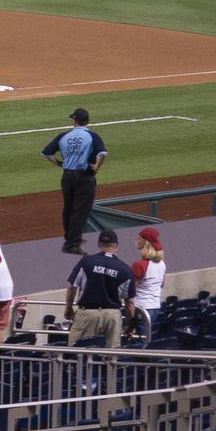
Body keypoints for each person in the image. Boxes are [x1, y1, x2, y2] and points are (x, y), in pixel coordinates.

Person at [43, 109, 109, 254]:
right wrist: (96, 167)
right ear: (87, 121)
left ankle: (70, 238)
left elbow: (47, 153)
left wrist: (59, 163)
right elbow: (102, 154)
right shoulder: (92, 136)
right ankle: (73, 243)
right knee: (81, 210)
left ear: (74, 120)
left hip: (67, 176)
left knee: (68, 208)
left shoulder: (64, 136)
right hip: (84, 176)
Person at [64, 230, 133, 347]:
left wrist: (68, 308)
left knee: (77, 353)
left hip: (87, 314)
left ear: (99, 244)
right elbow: (130, 303)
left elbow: (72, 288)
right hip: (113, 316)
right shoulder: (125, 269)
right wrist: (130, 325)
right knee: (111, 358)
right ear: (116, 245)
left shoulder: (86, 261)